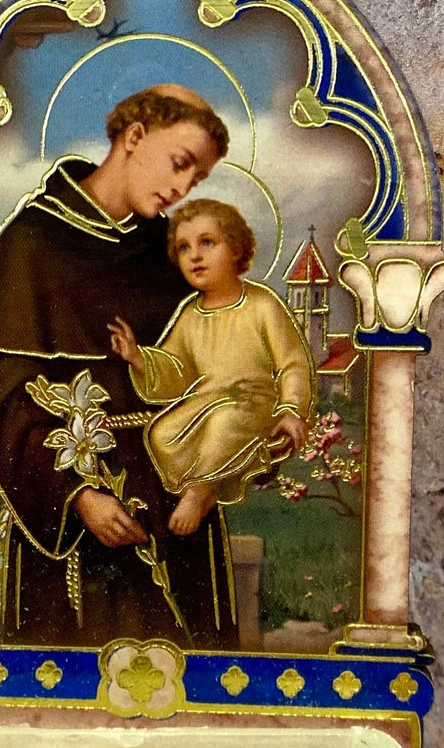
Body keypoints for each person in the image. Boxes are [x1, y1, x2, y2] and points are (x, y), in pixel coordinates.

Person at [0, 84, 242, 646]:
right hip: (73, 515)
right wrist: (78, 495)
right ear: (134, 137)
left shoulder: (170, 256)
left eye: (196, 180)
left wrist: (213, 477)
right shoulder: (32, 241)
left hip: (178, 506)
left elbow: (219, 371)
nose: (182, 188)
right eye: (180, 163)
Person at [108, 201, 314, 536]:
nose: (195, 256)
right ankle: (210, 486)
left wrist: (291, 409)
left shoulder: (261, 304)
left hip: (254, 401)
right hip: (208, 398)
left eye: (207, 242)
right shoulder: (190, 313)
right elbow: (176, 368)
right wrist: (138, 357)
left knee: (224, 424)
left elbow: (292, 362)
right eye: (184, 248)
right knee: (162, 434)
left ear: (236, 249)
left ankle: (199, 490)